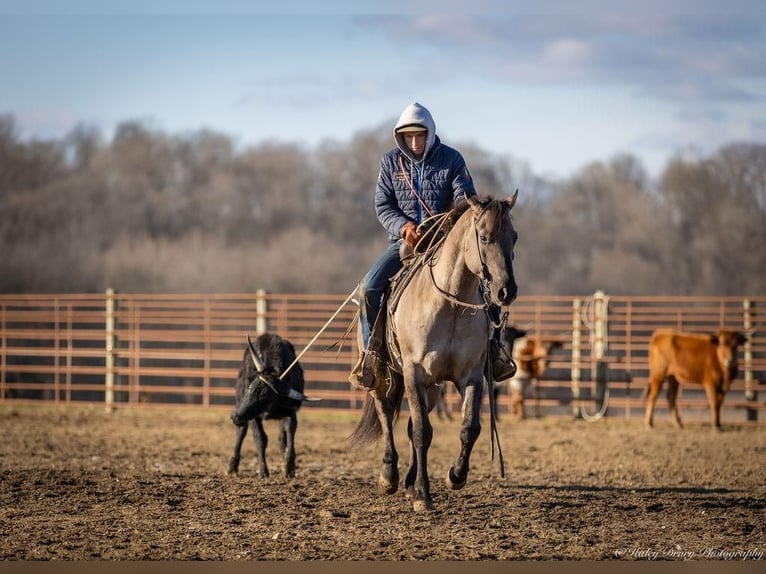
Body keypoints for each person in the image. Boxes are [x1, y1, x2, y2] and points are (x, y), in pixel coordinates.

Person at [349, 102, 515, 388]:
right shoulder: (390, 162)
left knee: (488, 282)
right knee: (369, 287)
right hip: (404, 243)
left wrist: (445, 225)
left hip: (445, 242)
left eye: (419, 135)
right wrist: (403, 227)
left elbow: (467, 201)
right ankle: (371, 355)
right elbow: (383, 205)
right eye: (408, 136)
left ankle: (494, 351)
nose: (414, 142)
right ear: (400, 136)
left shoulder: (452, 159)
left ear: (430, 134)